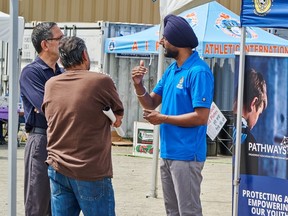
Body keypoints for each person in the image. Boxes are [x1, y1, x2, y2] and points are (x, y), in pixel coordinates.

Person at [132, 14, 214, 216]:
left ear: (177, 41)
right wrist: (138, 84)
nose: (162, 42)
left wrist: (163, 119)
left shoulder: (198, 72)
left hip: (186, 155)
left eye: (165, 39)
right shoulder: (172, 70)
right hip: (167, 152)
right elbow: (151, 102)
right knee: (173, 212)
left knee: (189, 212)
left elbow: (201, 117)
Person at [42, 36, 124, 216]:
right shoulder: (100, 81)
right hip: (90, 170)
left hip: (58, 168)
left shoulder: (51, 84)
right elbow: (117, 117)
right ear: (85, 55)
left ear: (62, 60)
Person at [19, 22, 64, 216]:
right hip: (42, 139)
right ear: (45, 44)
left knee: (61, 202)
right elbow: (47, 107)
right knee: (38, 201)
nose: (64, 42)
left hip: (63, 139)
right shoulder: (31, 73)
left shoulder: (62, 73)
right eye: (59, 38)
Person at [232, 68, 268, 175]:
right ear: (254, 103)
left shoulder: (224, 128)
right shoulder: (249, 140)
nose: (257, 119)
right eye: (259, 114)